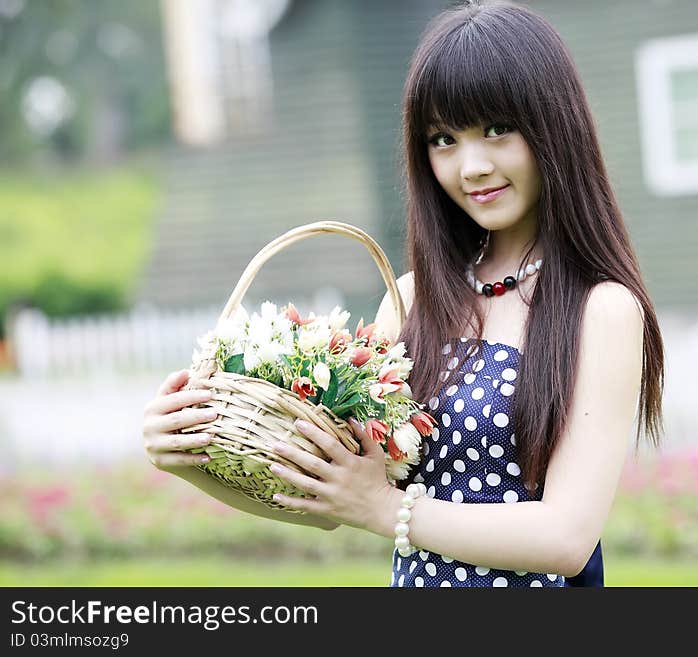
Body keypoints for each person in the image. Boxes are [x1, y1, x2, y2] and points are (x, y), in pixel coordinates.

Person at [142, 0, 664, 587]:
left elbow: (566, 537)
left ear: (553, 128)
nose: (471, 166)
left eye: (496, 130)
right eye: (444, 138)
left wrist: (387, 511)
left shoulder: (602, 310)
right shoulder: (412, 301)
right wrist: (189, 459)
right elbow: (331, 498)